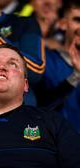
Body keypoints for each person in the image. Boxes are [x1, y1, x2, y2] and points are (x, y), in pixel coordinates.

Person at [34, 0, 80, 133]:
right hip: (59, 146)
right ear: (63, 24)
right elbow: (40, 108)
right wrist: (75, 76)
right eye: (78, 20)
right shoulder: (44, 59)